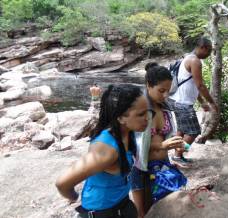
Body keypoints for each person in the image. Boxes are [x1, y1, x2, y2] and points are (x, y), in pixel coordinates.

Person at [55, 84, 149, 218]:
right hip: (102, 212)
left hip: (121, 204)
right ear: (121, 118)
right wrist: (74, 196)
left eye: (147, 112)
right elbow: (62, 183)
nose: (147, 118)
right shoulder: (106, 150)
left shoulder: (128, 132)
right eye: (141, 114)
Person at [130, 62, 187, 218]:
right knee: (143, 213)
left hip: (163, 167)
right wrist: (162, 145)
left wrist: (176, 146)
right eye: (161, 91)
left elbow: (165, 140)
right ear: (149, 85)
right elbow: (134, 146)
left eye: (168, 91)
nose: (165, 95)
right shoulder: (138, 110)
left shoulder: (166, 108)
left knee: (163, 209)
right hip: (141, 170)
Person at [169, 37, 219, 166]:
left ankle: (176, 156)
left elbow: (191, 84)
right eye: (209, 51)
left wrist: (201, 102)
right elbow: (200, 85)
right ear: (202, 47)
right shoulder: (195, 61)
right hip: (183, 103)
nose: (209, 54)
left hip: (176, 100)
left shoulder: (186, 58)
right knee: (193, 132)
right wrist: (212, 103)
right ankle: (178, 155)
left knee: (181, 130)